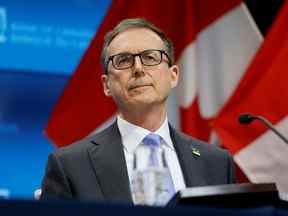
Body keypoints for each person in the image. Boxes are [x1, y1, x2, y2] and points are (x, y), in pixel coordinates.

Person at [40, 18, 235, 203]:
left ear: (173, 75)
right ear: (106, 85)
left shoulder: (217, 162)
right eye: (124, 60)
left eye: (150, 57)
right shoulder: (70, 165)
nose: (139, 68)